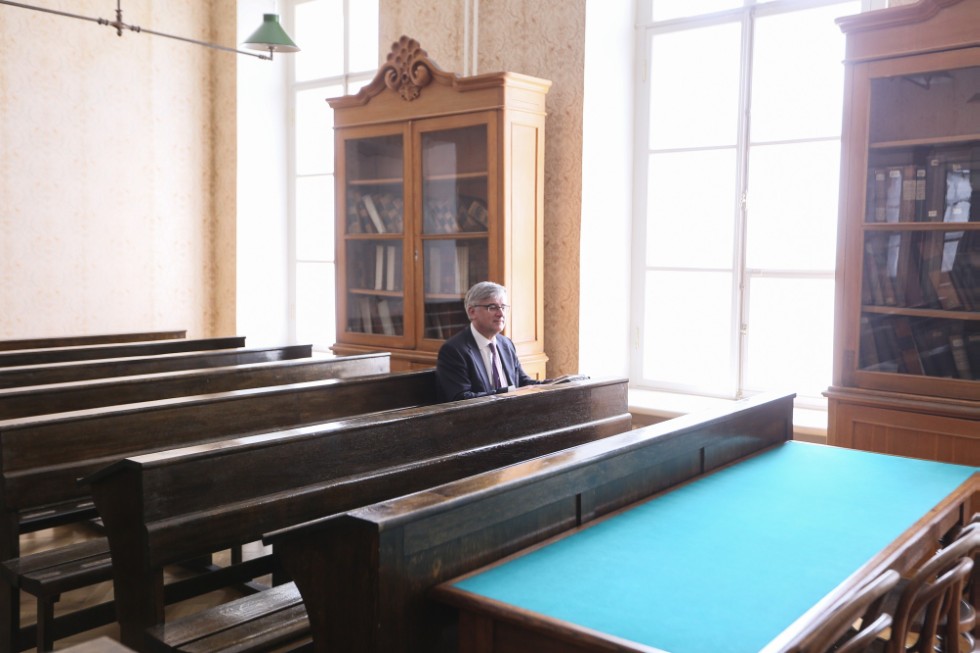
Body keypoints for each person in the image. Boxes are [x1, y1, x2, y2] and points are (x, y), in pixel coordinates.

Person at [435, 281, 541, 402]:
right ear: (472, 312)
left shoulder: (506, 344)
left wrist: (553, 384)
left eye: (503, 307)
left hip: (514, 411)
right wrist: (509, 392)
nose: (501, 314)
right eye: (492, 307)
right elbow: (461, 398)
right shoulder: (454, 350)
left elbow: (522, 382)